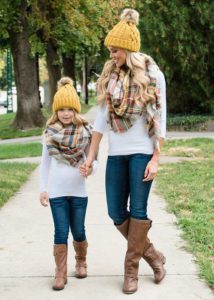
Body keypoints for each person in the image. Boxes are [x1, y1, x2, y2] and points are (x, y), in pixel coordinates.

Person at [82, 8, 167, 294]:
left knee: (139, 211)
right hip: (117, 154)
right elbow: (100, 122)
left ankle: (131, 271)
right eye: (110, 50)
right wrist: (91, 156)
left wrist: (156, 157)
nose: (112, 55)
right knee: (116, 212)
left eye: (115, 50)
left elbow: (161, 119)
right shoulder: (111, 78)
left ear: (128, 49)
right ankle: (153, 255)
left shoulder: (153, 76)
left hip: (143, 151)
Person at [39, 77, 97, 291]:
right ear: (56, 111)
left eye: (69, 109)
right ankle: (60, 272)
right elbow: (44, 164)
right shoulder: (49, 134)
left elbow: (95, 161)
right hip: (57, 192)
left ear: (76, 110)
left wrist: (89, 168)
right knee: (60, 231)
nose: (65, 113)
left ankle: (81, 261)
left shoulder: (87, 133)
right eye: (61, 109)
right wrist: (42, 189)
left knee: (79, 230)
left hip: (79, 192)